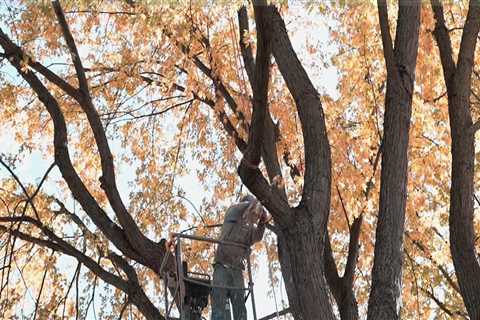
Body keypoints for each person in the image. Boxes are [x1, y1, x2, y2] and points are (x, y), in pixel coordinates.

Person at [210, 194, 269, 320]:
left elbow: (258, 236)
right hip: (221, 266)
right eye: (254, 213)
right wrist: (254, 203)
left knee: (239, 306)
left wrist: (262, 221)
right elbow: (240, 208)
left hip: (236, 269)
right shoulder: (232, 215)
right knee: (219, 303)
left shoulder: (249, 231)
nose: (255, 217)